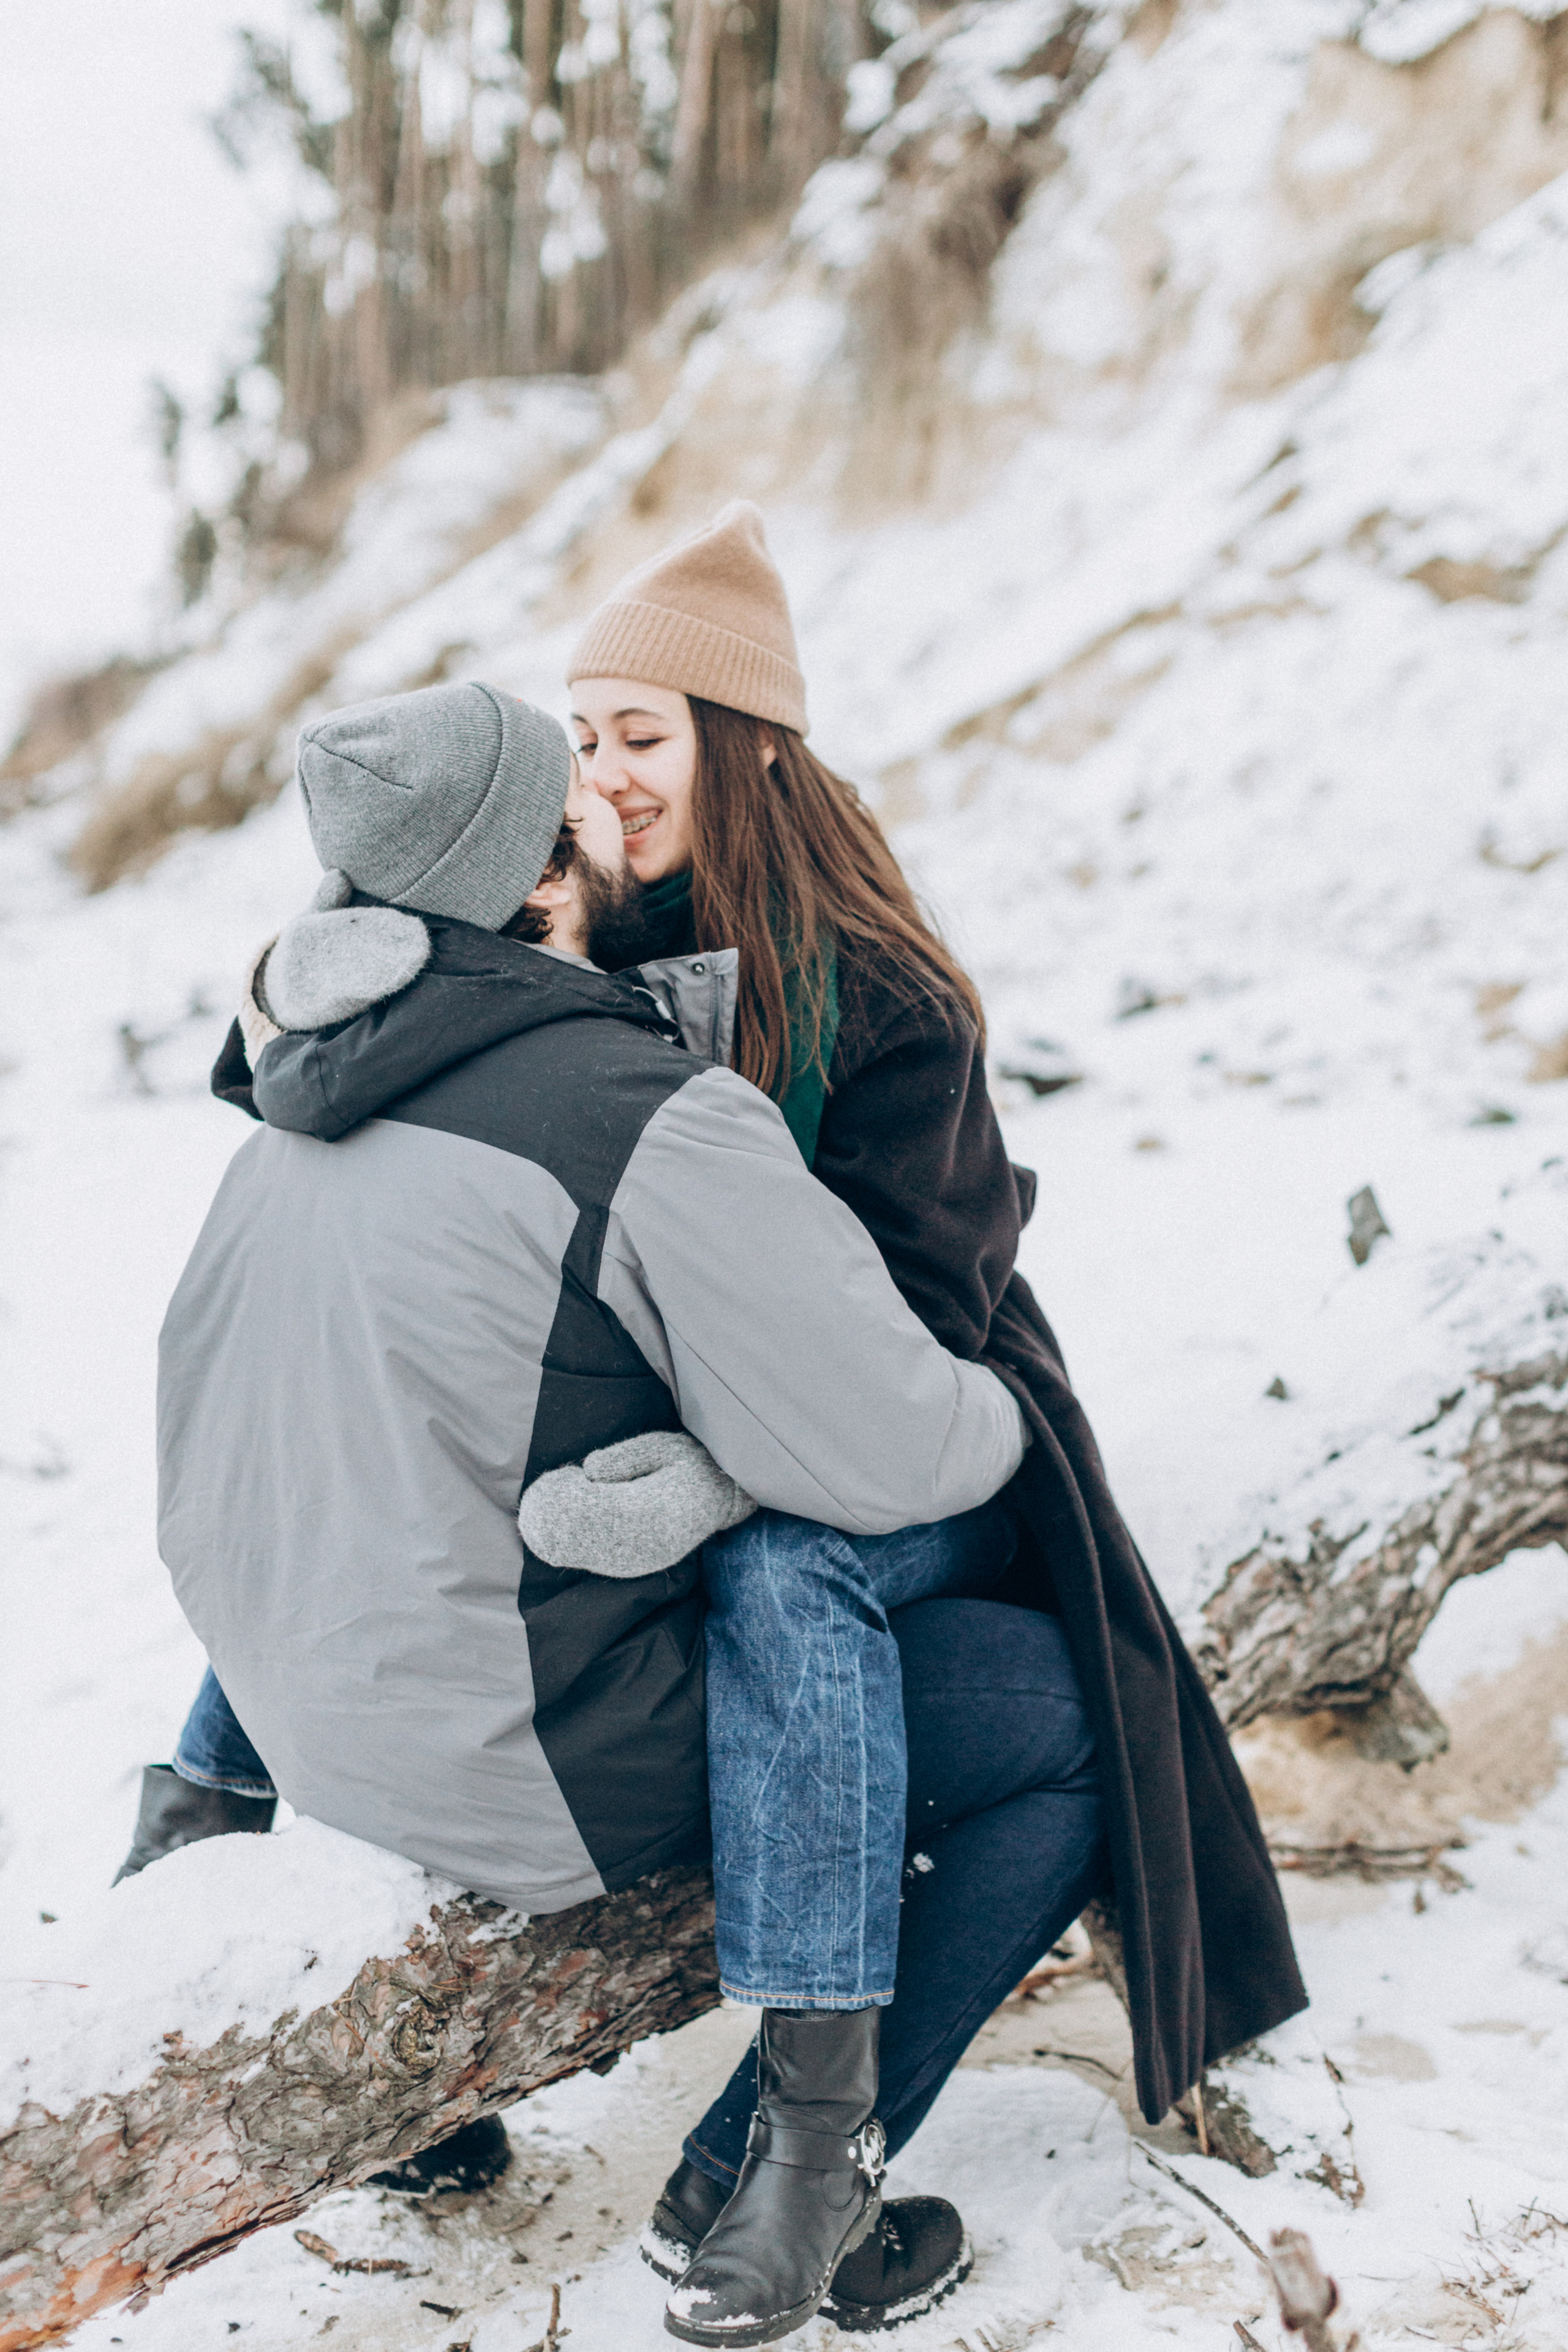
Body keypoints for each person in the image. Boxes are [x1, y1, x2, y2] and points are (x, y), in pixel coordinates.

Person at [147, 679, 1038, 2339]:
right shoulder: (635, 1114)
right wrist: (1004, 1405)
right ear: (548, 876)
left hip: (307, 1722)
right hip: (522, 1767)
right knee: (1059, 1731)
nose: (621, 808)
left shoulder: (294, 1104)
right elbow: (896, 1458)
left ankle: (195, 1849)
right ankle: (778, 2170)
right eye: (583, 792)